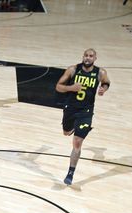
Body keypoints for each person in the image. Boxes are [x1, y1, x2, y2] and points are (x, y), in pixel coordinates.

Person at [55, 48, 111, 186]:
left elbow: (106, 82)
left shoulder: (100, 72)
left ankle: (70, 173)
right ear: (83, 57)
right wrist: (71, 88)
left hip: (86, 111)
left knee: (77, 143)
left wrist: (104, 88)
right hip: (70, 108)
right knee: (66, 132)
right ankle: (76, 128)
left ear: (95, 58)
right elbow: (58, 86)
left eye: (91, 56)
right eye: (86, 55)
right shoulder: (73, 70)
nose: (87, 58)